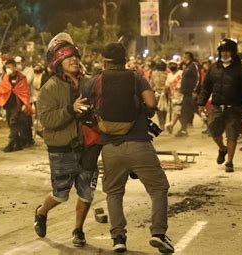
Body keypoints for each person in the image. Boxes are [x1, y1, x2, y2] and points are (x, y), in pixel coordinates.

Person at [90, 43, 174, 253]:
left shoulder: (96, 80)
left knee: (114, 192)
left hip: (110, 146)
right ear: (125, 59)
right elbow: (151, 103)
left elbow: (84, 106)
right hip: (138, 142)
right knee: (158, 188)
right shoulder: (136, 77)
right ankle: (158, 233)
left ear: (105, 61)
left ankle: (118, 237)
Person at [34, 33, 93, 248]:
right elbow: (46, 120)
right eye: (69, 58)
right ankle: (41, 212)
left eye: (76, 57)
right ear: (58, 63)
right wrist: (71, 109)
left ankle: (78, 230)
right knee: (60, 195)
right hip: (61, 149)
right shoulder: (50, 88)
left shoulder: (88, 83)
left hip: (88, 147)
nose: (74, 61)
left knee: (87, 193)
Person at [197, 39, 242, 173]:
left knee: (232, 135)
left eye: (227, 51)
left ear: (232, 52)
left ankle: (230, 162)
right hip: (216, 107)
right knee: (213, 131)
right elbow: (206, 87)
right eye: (222, 51)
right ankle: (222, 148)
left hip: (234, 107)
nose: (225, 54)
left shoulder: (241, 69)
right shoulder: (213, 68)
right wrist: (201, 103)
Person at [0, 59, 31, 152]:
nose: (8, 69)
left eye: (9, 67)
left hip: (17, 104)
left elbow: (25, 91)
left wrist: (25, 103)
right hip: (8, 104)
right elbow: (2, 88)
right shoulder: (5, 77)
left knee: (13, 122)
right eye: (6, 67)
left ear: (14, 67)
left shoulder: (21, 77)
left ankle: (11, 144)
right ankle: (18, 144)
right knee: (10, 123)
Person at [176, 52, 199, 137]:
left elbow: (197, 78)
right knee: (184, 112)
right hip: (186, 94)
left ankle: (210, 125)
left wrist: (194, 90)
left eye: (185, 56)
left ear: (188, 57)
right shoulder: (187, 67)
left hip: (191, 93)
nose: (183, 58)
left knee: (197, 110)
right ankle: (183, 130)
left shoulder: (193, 65)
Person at [15, 56, 36, 147]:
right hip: (18, 99)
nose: (18, 65)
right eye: (16, 63)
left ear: (24, 62)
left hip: (28, 99)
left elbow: (27, 82)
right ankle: (23, 139)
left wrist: (18, 75)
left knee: (26, 120)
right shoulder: (16, 72)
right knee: (20, 120)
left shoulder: (29, 71)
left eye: (19, 63)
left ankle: (29, 139)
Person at [165, 60, 183, 134]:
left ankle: (172, 124)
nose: (172, 65)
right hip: (173, 96)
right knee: (179, 113)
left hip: (182, 96)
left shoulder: (181, 73)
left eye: (173, 64)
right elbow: (167, 86)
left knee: (177, 111)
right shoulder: (169, 75)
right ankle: (183, 129)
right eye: (170, 64)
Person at [150, 60, 168, 129]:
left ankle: (161, 123)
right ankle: (164, 122)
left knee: (158, 109)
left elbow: (151, 84)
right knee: (164, 109)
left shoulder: (153, 73)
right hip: (165, 93)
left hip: (157, 93)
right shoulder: (167, 74)